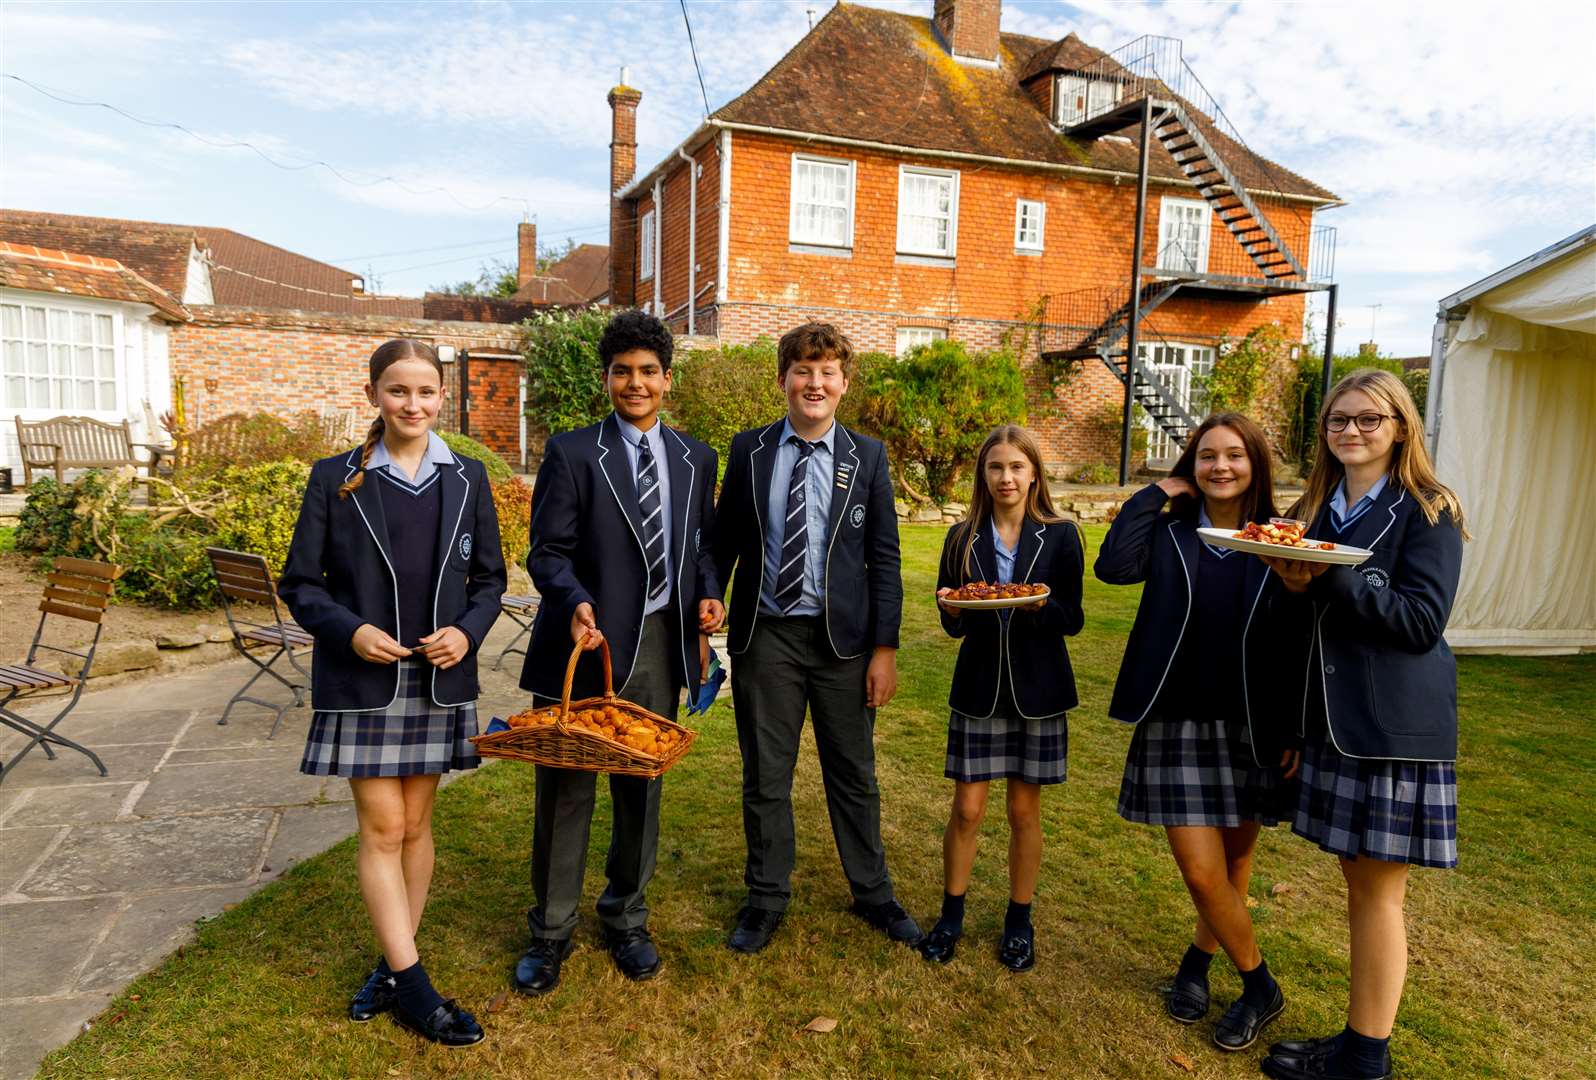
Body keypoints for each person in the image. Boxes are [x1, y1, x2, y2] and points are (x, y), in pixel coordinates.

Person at [280, 337, 505, 1048]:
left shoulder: (466, 478)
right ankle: (414, 990)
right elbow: (299, 584)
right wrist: (350, 631)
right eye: (398, 390)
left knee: (414, 827)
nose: (414, 404)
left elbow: (492, 581)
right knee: (381, 829)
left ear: (443, 397)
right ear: (374, 394)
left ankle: (391, 958)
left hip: (440, 681)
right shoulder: (334, 478)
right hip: (364, 680)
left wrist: (467, 632)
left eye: (427, 392)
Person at [1258, 370, 1468, 1080]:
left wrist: (1334, 572)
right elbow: (1306, 626)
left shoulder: (1430, 509)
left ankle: (1365, 1057)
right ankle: (1359, 1041)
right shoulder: (1316, 507)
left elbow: (1419, 623)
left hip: (1392, 727)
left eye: (1369, 420)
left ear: (1401, 427)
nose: (1351, 432)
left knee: (1379, 892)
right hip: (1332, 719)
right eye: (1337, 421)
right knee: (1361, 885)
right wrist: (1294, 584)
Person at [512, 310, 723, 996]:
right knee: (567, 788)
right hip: (589, 642)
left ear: (667, 379)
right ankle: (550, 931)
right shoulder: (574, 453)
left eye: (648, 372)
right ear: (607, 379)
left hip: (662, 643)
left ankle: (627, 916)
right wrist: (574, 600)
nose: (636, 384)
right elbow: (547, 550)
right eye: (622, 372)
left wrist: (709, 594)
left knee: (643, 786)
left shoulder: (697, 458)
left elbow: (700, 546)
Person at [1096, 412, 1300, 1053]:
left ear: (1255, 463)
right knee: (1202, 872)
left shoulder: (1281, 538)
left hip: (1252, 724)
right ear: (1192, 465)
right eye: (1207, 456)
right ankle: (1261, 986)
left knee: (1235, 861)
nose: (1220, 467)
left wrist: (1294, 726)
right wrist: (1158, 493)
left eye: (1234, 455)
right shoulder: (1170, 533)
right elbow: (1112, 566)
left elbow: (1299, 639)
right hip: (1175, 721)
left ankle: (1196, 962)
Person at [711, 321, 917, 954]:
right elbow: (725, 542)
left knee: (853, 773)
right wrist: (709, 602)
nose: (815, 382)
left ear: (844, 384)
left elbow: (884, 558)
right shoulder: (750, 451)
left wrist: (884, 650)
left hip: (845, 646)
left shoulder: (869, 457)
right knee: (766, 775)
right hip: (766, 636)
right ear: (783, 380)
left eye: (827, 372)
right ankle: (766, 896)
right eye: (803, 370)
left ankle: (873, 892)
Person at [920, 425, 1084, 972]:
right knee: (967, 809)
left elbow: (1074, 619)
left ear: (1034, 472)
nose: (1006, 477)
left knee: (1022, 811)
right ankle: (951, 916)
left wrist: (1041, 606)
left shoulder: (1061, 536)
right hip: (979, 689)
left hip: (1039, 691)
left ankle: (1019, 919)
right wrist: (951, 607)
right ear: (983, 475)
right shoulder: (962, 536)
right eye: (996, 467)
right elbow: (956, 624)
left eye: (1016, 467)